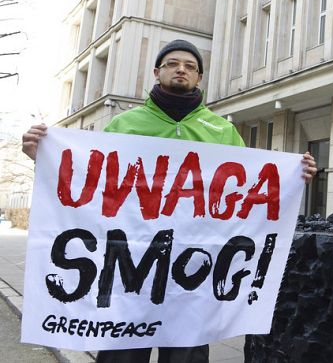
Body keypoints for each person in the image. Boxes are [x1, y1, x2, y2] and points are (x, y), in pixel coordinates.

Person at [22, 39, 317, 363]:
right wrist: (45, 157)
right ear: (157, 71)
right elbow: (91, 181)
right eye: (173, 63)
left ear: (199, 78)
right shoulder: (124, 125)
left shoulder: (221, 131)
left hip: (193, 280)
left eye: (190, 66)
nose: (181, 70)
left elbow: (245, 195)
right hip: (127, 274)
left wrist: (292, 177)